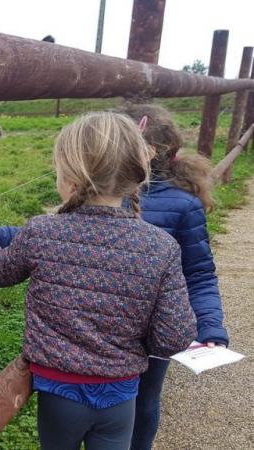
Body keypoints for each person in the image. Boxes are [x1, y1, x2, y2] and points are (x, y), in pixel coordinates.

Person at [0, 112, 196, 450]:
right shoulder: (161, 246)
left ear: (69, 178)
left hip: (59, 394)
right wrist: (129, 344)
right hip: (121, 396)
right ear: (133, 177)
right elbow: (175, 336)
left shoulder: (42, 231)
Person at [117, 103, 229, 450]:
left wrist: (209, 325)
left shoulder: (182, 206)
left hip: (155, 329)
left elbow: (198, 274)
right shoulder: (99, 195)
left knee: (146, 398)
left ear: (149, 151)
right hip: (107, 323)